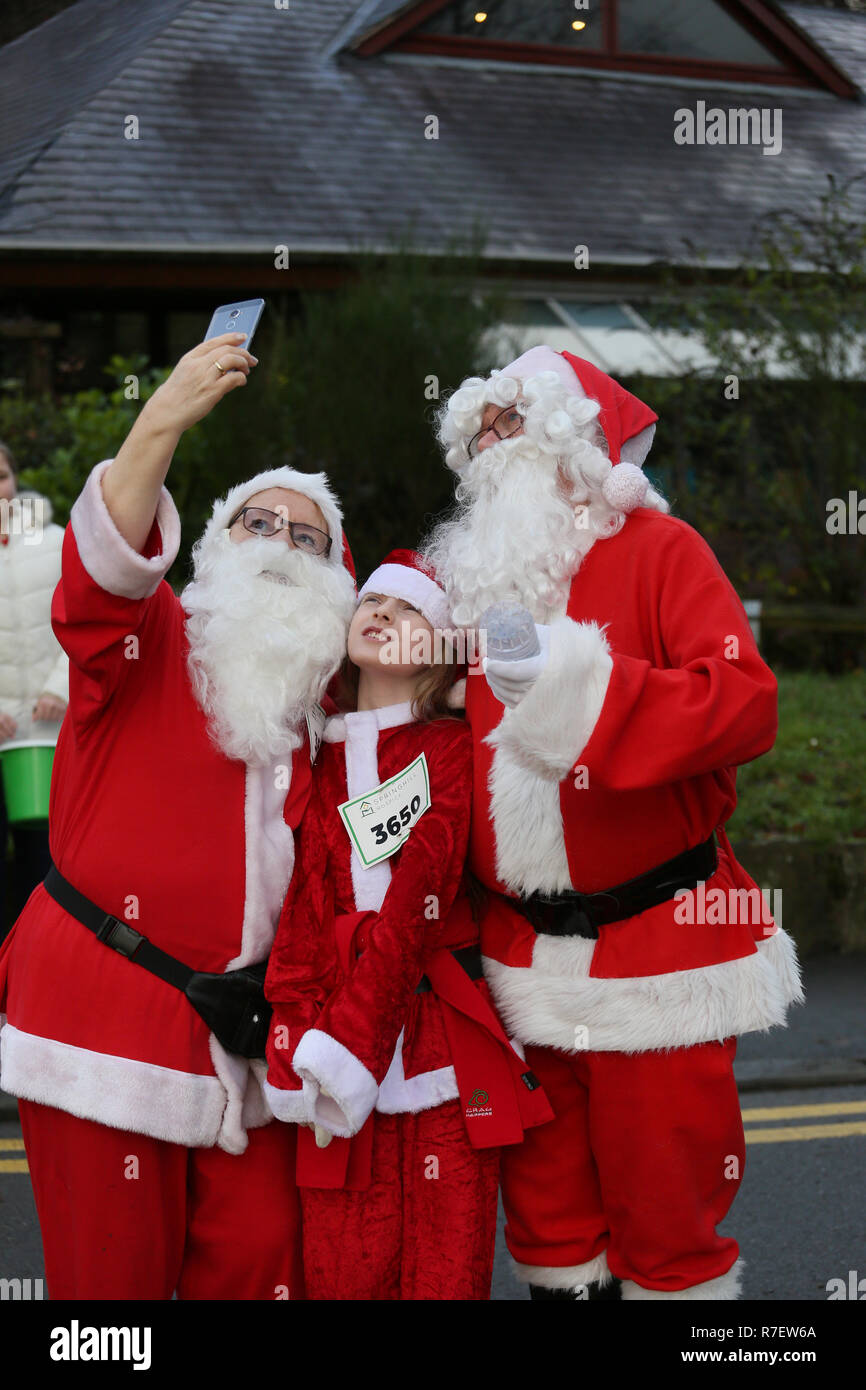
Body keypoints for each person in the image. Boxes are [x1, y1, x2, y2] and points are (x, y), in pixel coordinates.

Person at [423, 345, 803, 1301]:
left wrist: (579, 694)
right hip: (519, 963)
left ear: (571, 438)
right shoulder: (470, 587)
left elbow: (742, 703)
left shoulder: (663, 552)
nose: (487, 445)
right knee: (548, 1230)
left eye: (508, 423)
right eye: (480, 429)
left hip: (655, 956)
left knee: (669, 1225)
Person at [0, 331, 356, 1300]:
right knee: (108, 1293)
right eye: (256, 522)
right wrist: (163, 415)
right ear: (208, 544)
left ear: (336, 580)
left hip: (247, 1052)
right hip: (102, 1024)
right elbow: (104, 567)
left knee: (263, 1262)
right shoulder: (150, 636)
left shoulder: (337, 724)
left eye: (306, 533)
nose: (280, 542)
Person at [263, 549, 553, 1300]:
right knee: (343, 1269)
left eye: (411, 610)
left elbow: (417, 899)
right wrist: (297, 1037)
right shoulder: (306, 761)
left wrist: (350, 1043)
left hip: (439, 1043)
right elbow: (297, 911)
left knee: (447, 1269)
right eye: (373, 602)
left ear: (440, 655)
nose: (385, 613)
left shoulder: (452, 752)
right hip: (327, 1037)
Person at [0, 442, 68, 937]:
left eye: (2, 476)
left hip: (49, 736)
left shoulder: (57, 541)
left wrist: (60, 688)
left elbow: (87, 623)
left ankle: (37, 961)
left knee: (47, 858)